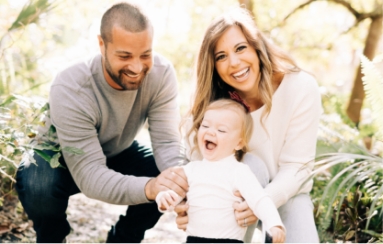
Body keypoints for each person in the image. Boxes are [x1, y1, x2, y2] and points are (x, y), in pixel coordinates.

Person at [15, 2, 188, 243]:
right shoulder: (71, 86)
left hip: (116, 150)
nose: (137, 67)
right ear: (101, 45)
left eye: (145, 54)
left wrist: (178, 183)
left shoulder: (162, 74)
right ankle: (52, 238)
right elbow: (89, 173)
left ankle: (124, 238)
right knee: (38, 184)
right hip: (57, 156)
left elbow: (168, 142)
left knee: (166, 174)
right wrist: (150, 188)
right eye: (124, 56)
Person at [175, 7, 322, 243]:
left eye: (241, 48)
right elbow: (197, 163)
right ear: (212, 65)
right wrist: (187, 206)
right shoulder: (215, 104)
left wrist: (261, 202)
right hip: (231, 201)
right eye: (221, 56)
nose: (234, 62)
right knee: (250, 165)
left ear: (257, 47)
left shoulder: (300, 87)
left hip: (287, 193)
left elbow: (298, 167)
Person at [156, 99, 286, 243]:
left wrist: (274, 224)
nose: (210, 131)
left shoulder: (239, 171)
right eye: (205, 126)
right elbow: (174, 195)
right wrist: (163, 198)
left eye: (221, 130)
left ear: (238, 143)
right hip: (194, 240)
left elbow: (260, 199)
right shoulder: (191, 169)